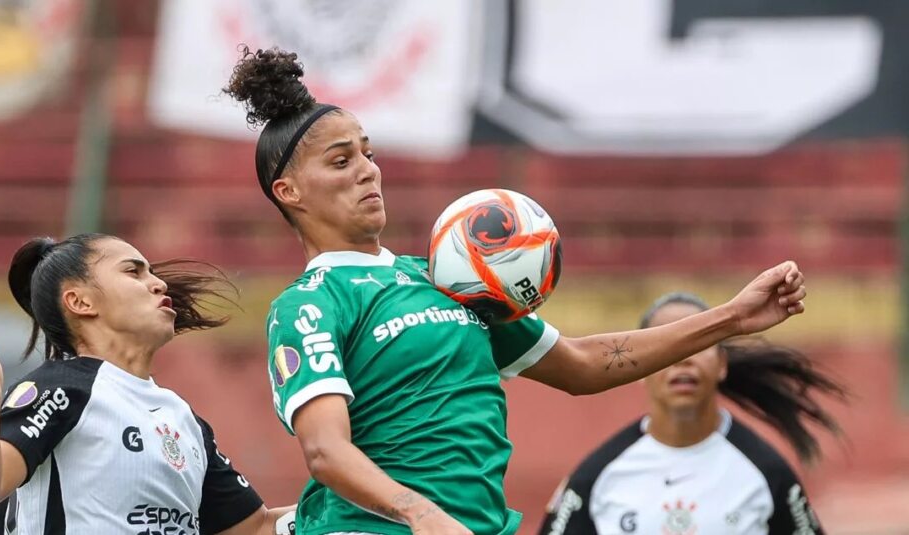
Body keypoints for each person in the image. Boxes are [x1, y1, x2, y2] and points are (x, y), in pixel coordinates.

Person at [222, 46, 807, 535]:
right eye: (341, 160)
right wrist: (420, 514)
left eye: (368, 153)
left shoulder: (444, 276)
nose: (368, 170)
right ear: (289, 192)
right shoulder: (309, 305)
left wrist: (732, 317)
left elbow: (582, 364)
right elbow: (326, 452)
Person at [0, 233, 295, 534]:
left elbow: (256, 527)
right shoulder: (62, 388)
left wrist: (330, 498)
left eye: (151, 272)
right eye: (133, 271)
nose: (158, 283)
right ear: (79, 301)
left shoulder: (181, 417)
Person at [538, 292, 844, 535]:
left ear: (722, 364)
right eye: (666, 349)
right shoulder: (596, 476)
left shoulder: (768, 472)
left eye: (699, 346)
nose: (683, 360)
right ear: (640, 367)